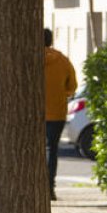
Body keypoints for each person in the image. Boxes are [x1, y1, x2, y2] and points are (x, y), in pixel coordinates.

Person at [43, 28, 77, 201]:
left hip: (35, 114)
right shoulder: (63, 61)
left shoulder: (27, 59)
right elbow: (72, 86)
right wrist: (61, 93)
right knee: (52, 150)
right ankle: (50, 187)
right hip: (57, 113)